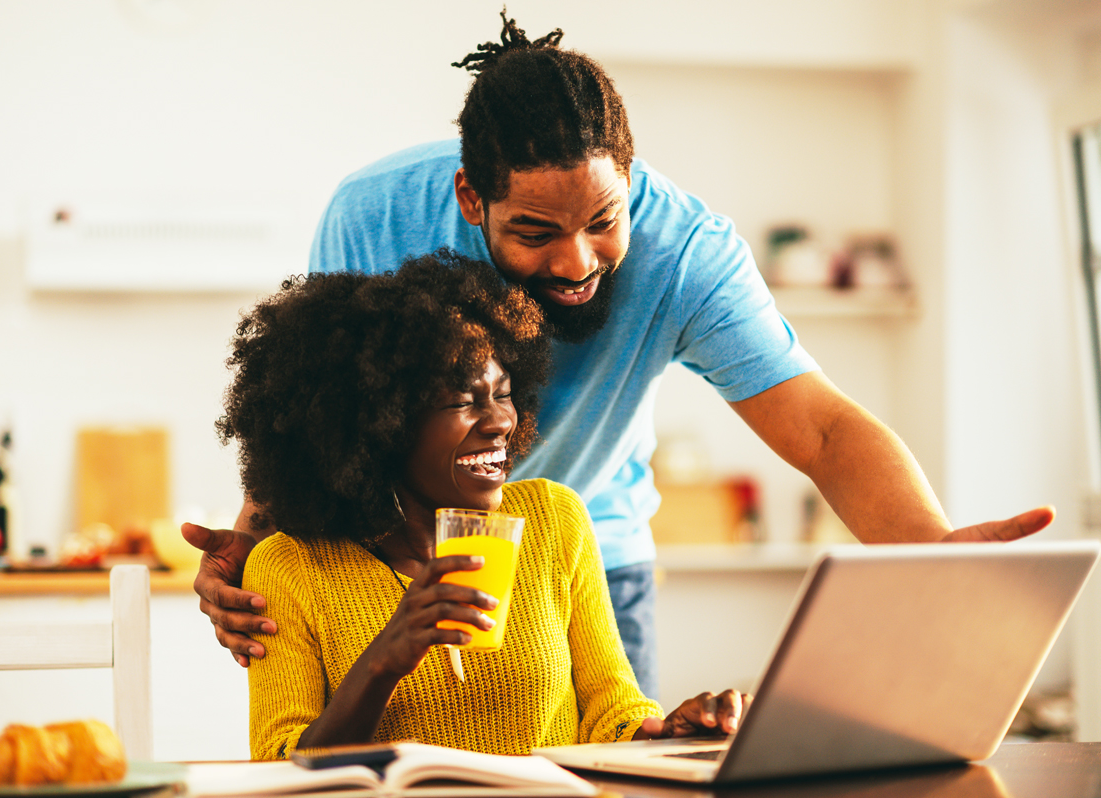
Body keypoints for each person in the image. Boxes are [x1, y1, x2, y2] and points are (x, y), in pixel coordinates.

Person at [184, 11, 1054, 698]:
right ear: (469, 195)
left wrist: (936, 559)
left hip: (588, 557)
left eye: (604, 221)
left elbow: (820, 431)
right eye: (533, 232)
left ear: (630, 180)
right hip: (393, 553)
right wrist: (260, 540)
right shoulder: (374, 213)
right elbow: (312, 407)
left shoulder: (686, 252)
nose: (574, 263)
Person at [219, 251, 746, 759]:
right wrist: (383, 661)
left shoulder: (552, 519)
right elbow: (279, 765)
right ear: (381, 425)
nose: (500, 422)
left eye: (503, 393)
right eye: (462, 402)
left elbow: (613, 714)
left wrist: (667, 733)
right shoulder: (289, 567)